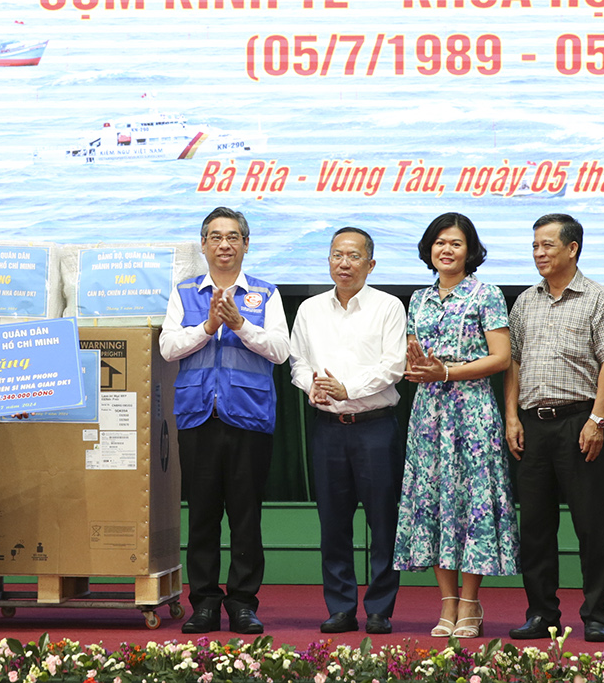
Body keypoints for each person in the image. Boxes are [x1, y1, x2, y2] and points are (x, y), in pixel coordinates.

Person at [161, 206, 290, 635]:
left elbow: (280, 351)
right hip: (198, 416)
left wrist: (239, 325)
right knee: (202, 516)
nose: (224, 244)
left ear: (246, 244)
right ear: (203, 245)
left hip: (248, 417)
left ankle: (242, 604)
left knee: (245, 517)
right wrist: (208, 325)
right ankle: (203, 604)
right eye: (215, 237)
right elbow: (168, 348)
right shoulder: (185, 293)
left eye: (233, 237)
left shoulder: (265, 294)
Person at [504, 213, 604, 644]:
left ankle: (595, 614)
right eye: (534, 246)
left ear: (572, 248)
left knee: (590, 525)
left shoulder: (597, 298)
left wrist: (597, 420)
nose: (538, 253)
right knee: (535, 528)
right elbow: (513, 361)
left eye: (547, 245)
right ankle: (542, 614)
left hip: (579, 422)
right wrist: (511, 416)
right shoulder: (526, 301)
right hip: (532, 424)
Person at [393, 212, 517, 639]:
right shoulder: (418, 299)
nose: (446, 250)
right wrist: (415, 367)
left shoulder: (487, 294)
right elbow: (414, 355)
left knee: (469, 504)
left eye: (456, 243)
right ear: (429, 248)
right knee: (435, 504)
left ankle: (470, 603)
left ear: (470, 251)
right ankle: (446, 603)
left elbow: (501, 357)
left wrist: (446, 371)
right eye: (440, 242)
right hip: (428, 414)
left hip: (472, 412)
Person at [288, 226, 407, 635]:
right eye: (337, 255)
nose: (344, 263)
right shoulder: (310, 309)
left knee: (383, 522)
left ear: (370, 264)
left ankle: (380, 608)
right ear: (328, 261)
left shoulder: (388, 307)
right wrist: (312, 386)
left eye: (354, 256)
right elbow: (298, 362)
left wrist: (348, 389)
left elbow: (394, 365)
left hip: (375, 428)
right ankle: (340, 607)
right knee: (333, 523)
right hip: (327, 429)